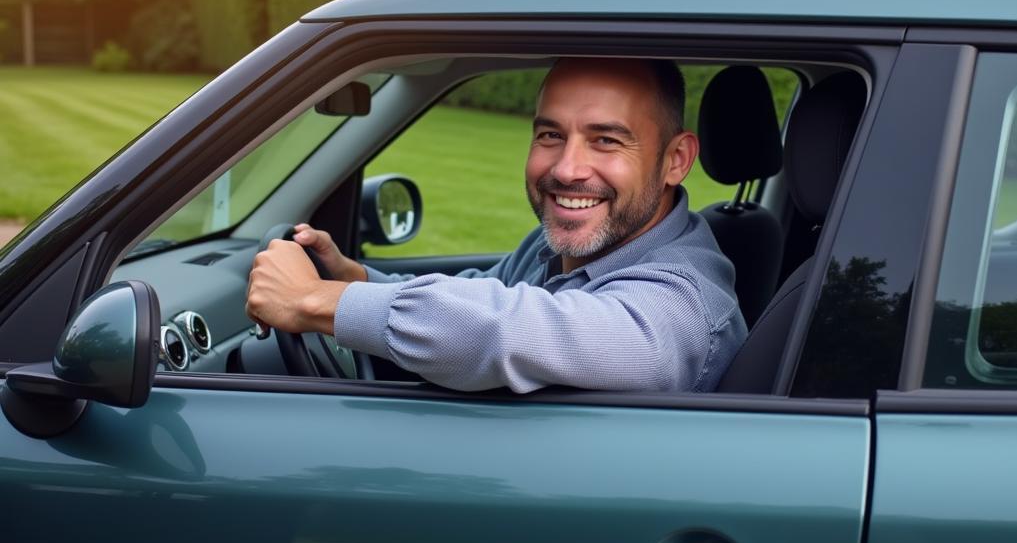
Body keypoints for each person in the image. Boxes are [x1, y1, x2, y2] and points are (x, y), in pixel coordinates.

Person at [246, 57, 746, 392]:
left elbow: (511, 330)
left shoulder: (683, 303)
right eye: (551, 134)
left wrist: (313, 301)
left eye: (606, 141)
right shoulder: (566, 246)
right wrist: (355, 279)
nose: (567, 169)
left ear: (676, 159)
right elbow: (480, 293)